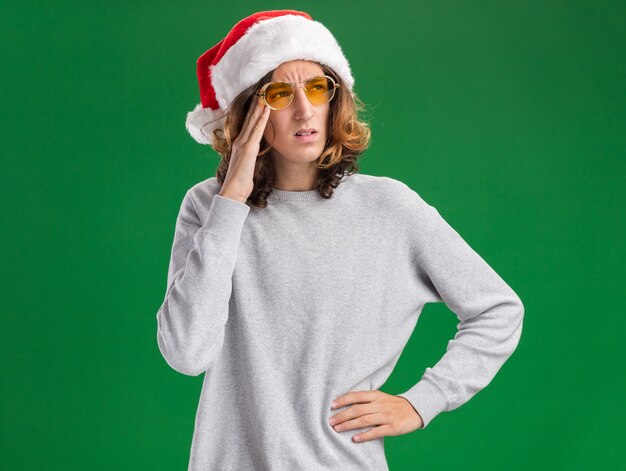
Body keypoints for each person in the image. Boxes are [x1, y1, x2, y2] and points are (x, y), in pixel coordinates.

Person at [156, 9, 524, 471]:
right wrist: (231, 199)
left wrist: (423, 401)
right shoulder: (208, 207)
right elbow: (187, 354)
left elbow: (498, 309)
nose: (304, 110)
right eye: (279, 94)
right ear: (250, 110)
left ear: (336, 99)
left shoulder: (389, 208)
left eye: (316, 88)